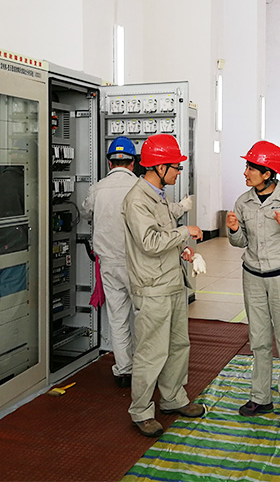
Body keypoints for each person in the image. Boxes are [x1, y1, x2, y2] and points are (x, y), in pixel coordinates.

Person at [122, 133, 204, 437]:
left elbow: (163, 235)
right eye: (176, 166)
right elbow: (149, 242)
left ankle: (173, 398)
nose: (179, 171)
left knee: (178, 345)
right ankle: (141, 411)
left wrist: (182, 250)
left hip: (171, 282)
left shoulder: (158, 195)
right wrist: (184, 232)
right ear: (159, 167)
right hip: (152, 287)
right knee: (151, 352)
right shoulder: (137, 200)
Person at [226, 141, 280, 428]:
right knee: (259, 340)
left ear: (268, 173)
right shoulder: (243, 201)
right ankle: (261, 397)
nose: (245, 172)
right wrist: (234, 230)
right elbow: (240, 242)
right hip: (253, 276)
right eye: (246, 167)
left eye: (251, 168)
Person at [81, 136, 139, 388]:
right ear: (133, 163)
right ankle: (145, 369)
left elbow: (85, 212)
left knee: (118, 318)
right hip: (137, 263)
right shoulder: (139, 187)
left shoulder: (98, 188)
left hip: (109, 263)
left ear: (109, 162)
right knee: (143, 316)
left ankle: (124, 370)